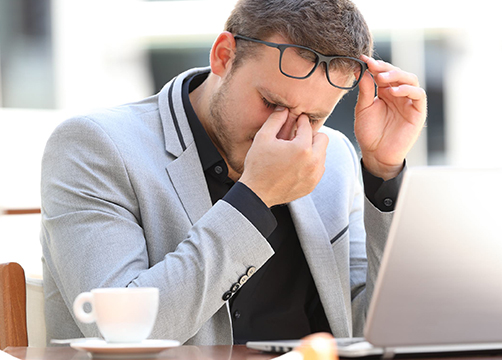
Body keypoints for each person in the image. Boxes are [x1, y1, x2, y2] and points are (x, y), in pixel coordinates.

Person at [40, 0, 426, 345]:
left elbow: (370, 329)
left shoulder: (334, 157)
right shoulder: (94, 146)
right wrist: (255, 198)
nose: (286, 133)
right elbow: (121, 334)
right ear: (223, 56)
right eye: (271, 102)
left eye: (313, 117)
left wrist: (383, 172)